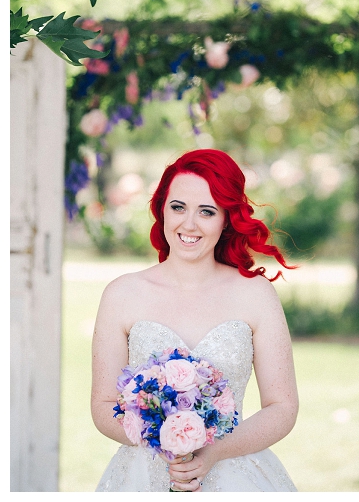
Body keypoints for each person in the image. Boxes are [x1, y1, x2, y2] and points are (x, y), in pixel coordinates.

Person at [91, 149, 299, 492]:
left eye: (207, 211)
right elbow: (103, 406)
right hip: (142, 476)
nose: (189, 224)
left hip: (234, 472)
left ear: (226, 218)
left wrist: (212, 453)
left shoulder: (255, 294)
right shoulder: (121, 294)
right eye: (178, 207)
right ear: (162, 209)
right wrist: (161, 439)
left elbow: (282, 406)